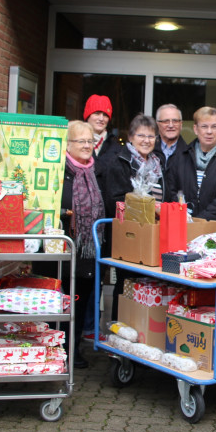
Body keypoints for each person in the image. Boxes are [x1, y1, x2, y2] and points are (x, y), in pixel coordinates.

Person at [96, 114, 169, 319]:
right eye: (141, 135)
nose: (146, 140)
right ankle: (120, 328)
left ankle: (145, 329)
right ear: (131, 137)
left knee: (151, 284)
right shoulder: (118, 161)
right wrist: (148, 208)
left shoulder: (158, 161)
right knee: (127, 281)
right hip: (130, 233)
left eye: (151, 136)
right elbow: (115, 200)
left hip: (155, 232)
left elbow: (166, 193)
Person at [51, 120, 105, 369]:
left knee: (80, 300)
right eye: (81, 141)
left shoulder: (96, 170)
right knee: (57, 300)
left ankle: (73, 350)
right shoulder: (58, 170)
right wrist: (64, 212)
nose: (87, 145)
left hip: (86, 250)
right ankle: (55, 349)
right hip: (59, 249)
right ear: (68, 144)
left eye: (90, 140)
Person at [165, 106, 216, 243]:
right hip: (184, 229)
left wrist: (200, 221)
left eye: (214, 127)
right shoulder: (180, 158)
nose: (209, 131)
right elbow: (172, 191)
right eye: (204, 126)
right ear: (196, 129)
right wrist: (185, 218)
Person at [82, 94, 116, 341]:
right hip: (82, 223)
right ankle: (83, 327)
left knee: (100, 275)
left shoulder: (115, 146)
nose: (101, 118)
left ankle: (93, 328)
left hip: (106, 222)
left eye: (105, 114)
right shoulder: (77, 142)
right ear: (87, 116)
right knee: (83, 277)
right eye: (97, 113)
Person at [155, 104, 188, 169]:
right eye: (166, 121)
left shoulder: (189, 154)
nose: (171, 125)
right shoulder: (148, 151)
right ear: (157, 124)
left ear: (181, 124)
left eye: (175, 121)